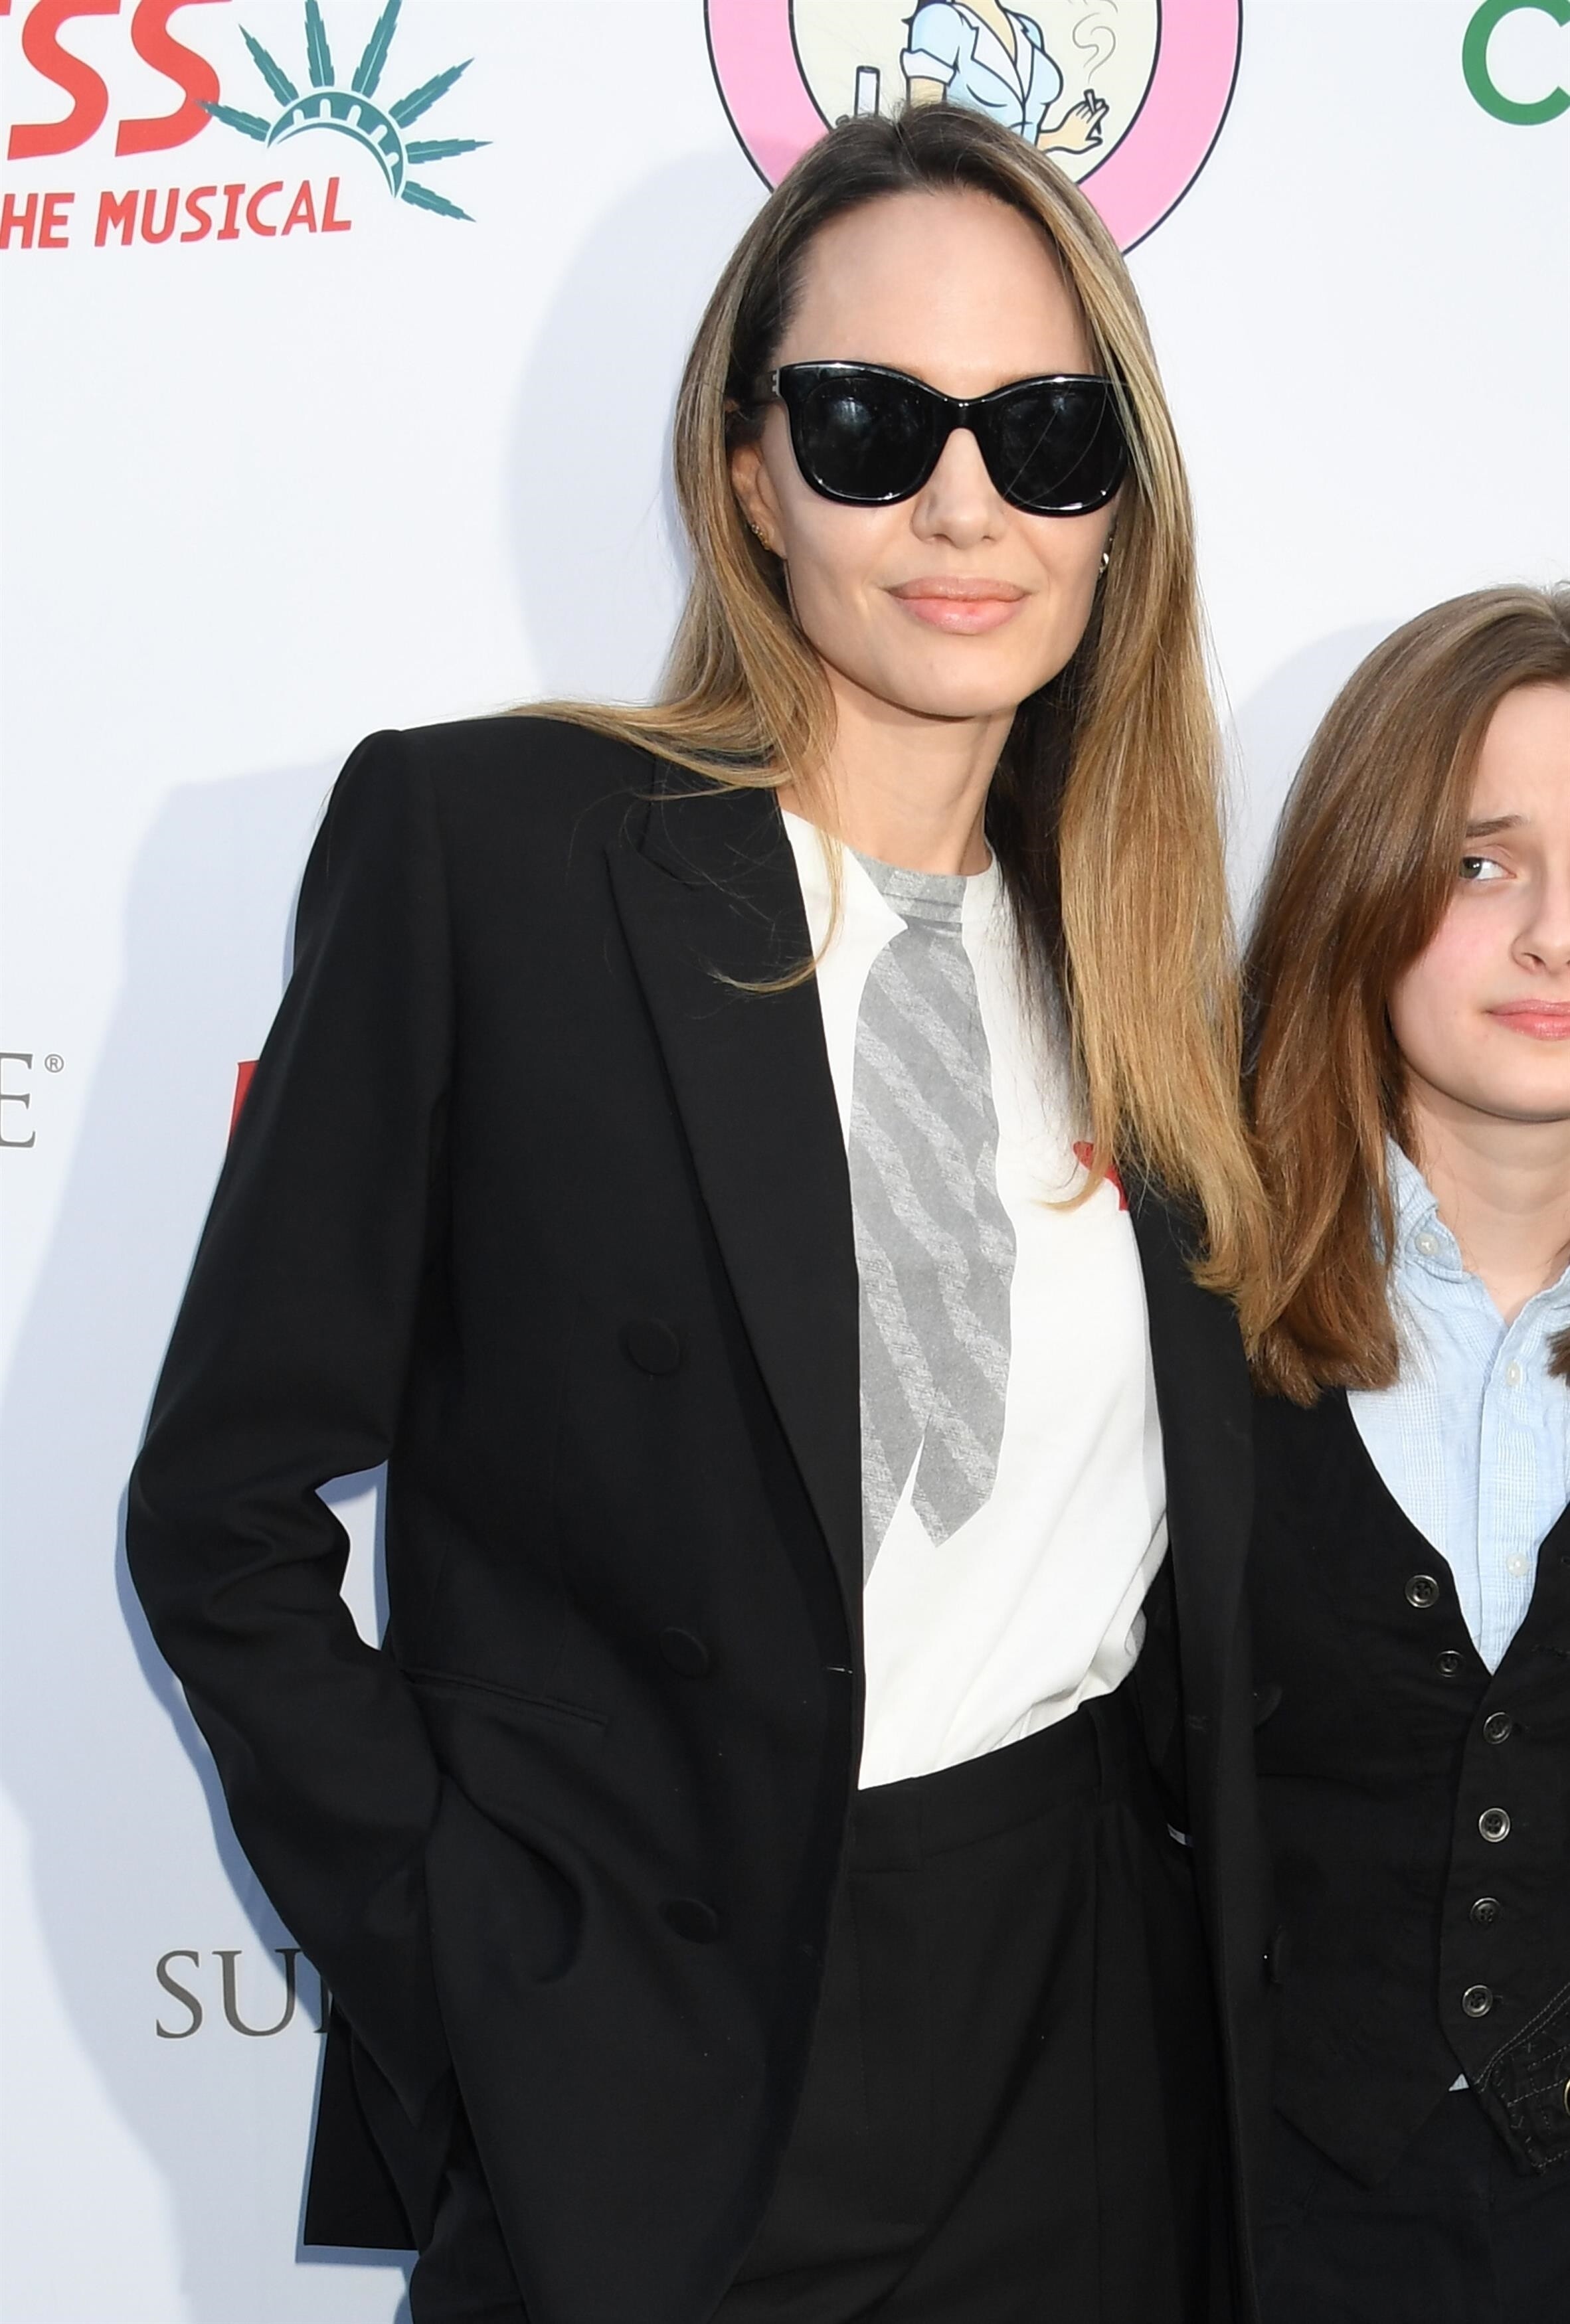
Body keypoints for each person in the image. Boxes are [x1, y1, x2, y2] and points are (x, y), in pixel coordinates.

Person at [128, 104, 1272, 2324]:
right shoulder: (495, 857)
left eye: (1045, 434)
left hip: (1082, 2053)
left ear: (1121, 498)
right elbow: (220, 1511)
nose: (965, 507)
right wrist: (470, 1957)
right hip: (658, 2060)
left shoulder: (1144, 958)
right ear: (748, 468)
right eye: (870, 426)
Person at [1243, 584, 1570, 2322]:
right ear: (1357, 883)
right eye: (1479, 863)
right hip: (1251, 2237)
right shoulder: (1156, 1302)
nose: (1552, 937)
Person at [902, 1, 1109, 152]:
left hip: (1026, 184)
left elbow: (1019, 135)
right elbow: (922, 134)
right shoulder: (941, 20)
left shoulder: (1028, 30)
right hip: (968, 184)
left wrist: (1060, 138)